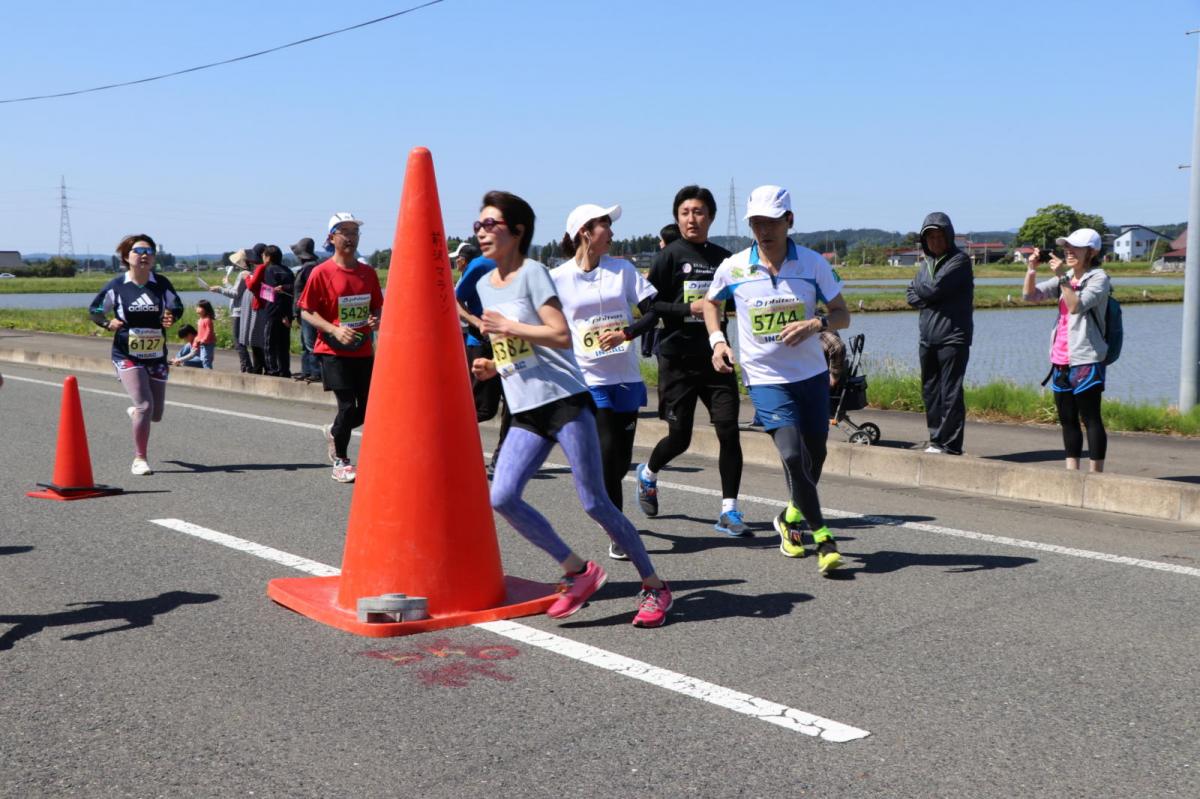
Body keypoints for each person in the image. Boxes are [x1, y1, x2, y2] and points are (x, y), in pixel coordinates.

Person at [470, 190, 672, 627]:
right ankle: (578, 571)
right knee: (502, 497)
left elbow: (561, 335)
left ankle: (655, 587)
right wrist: (494, 363)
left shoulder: (537, 273)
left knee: (596, 502)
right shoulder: (487, 284)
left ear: (518, 231)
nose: (482, 231)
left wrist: (506, 325)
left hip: (564, 401)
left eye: (491, 224)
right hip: (525, 406)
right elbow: (516, 346)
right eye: (478, 225)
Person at [705, 185, 850, 575]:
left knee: (813, 455)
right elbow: (710, 302)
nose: (764, 231)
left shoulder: (813, 264)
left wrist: (814, 324)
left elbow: (842, 314)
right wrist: (717, 341)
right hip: (765, 378)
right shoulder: (734, 267)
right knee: (789, 453)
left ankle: (789, 519)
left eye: (771, 222)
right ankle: (822, 537)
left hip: (811, 375)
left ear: (789, 221)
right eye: (756, 223)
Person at [550, 203, 657, 561]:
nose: (611, 232)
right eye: (605, 226)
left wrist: (627, 331)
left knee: (619, 460)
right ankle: (618, 528)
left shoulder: (622, 270)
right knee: (607, 453)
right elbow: (549, 327)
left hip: (624, 377)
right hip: (587, 377)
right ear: (585, 232)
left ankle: (608, 509)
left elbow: (654, 310)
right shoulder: (559, 278)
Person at [637, 185, 746, 536]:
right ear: (677, 218)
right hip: (677, 359)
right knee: (680, 437)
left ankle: (729, 510)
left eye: (698, 212)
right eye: (685, 213)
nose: (691, 219)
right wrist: (690, 308)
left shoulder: (725, 259)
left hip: (716, 356)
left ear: (710, 217)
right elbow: (649, 307)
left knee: (728, 430)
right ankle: (648, 473)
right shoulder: (668, 257)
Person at [88, 234, 184, 475]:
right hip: (126, 353)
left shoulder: (161, 283)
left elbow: (178, 305)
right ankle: (139, 459)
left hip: (156, 355)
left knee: (156, 414)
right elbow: (96, 309)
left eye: (149, 251)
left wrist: (172, 315)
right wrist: (106, 323)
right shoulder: (117, 286)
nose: (144, 255)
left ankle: (138, 412)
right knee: (144, 405)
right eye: (138, 250)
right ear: (126, 257)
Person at [299, 213, 383, 483]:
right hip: (332, 350)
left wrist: (375, 319)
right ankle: (341, 461)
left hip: (363, 350)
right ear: (332, 237)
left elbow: (377, 308)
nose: (350, 237)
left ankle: (335, 432)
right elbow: (306, 311)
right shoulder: (321, 273)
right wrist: (334, 329)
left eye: (354, 232)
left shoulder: (367, 273)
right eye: (344, 231)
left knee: (370, 408)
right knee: (347, 406)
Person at [1022, 228, 1112, 472]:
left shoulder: (1098, 278)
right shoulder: (1069, 274)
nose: (1069, 251)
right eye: (1067, 247)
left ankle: (1096, 476)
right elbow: (1030, 296)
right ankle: (1071, 474)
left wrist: (1062, 276)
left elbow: (1075, 306)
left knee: (1090, 418)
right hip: (1060, 359)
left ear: (1092, 252)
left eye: (1076, 247)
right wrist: (1032, 269)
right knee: (1067, 420)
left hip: (1086, 358)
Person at [905, 212, 973, 455]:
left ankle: (951, 445)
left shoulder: (959, 261)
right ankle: (936, 440)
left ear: (949, 236)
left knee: (951, 392)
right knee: (930, 390)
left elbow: (932, 290)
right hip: (928, 337)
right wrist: (924, 293)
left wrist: (922, 292)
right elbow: (910, 295)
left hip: (953, 337)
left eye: (939, 235)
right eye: (930, 236)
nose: (934, 241)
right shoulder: (926, 265)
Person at [455, 252, 510, 470]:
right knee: (483, 408)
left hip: (510, 342)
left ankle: (502, 457)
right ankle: (447, 444)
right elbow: (456, 300)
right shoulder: (481, 264)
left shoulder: (525, 264)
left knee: (515, 404)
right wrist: (477, 323)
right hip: (482, 341)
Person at [246, 244, 294, 377]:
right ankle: (285, 371)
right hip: (287, 313)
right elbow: (292, 290)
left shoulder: (269, 270)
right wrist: (288, 314)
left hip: (273, 312)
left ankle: (272, 371)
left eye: (263, 255)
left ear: (268, 257)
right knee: (284, 346)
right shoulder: (288, 270)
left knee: (269, 344)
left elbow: (273, 293)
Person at [210, 249, 252, 372]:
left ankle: (246, 367)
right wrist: (227, 284)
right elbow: (237, 291)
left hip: (238, 312)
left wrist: (220, 289)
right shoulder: (249, 273)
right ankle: (247, 366)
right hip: (243, 310)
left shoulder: (242, 274)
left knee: (238, 342)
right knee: (241, 341)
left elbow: (235, 294)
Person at [291, 237, 323, 382]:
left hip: (309, 311)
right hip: (303, 311)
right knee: (305, 343)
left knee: (310, 343)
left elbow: (313, 291)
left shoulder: (309, 268)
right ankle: (307, 370)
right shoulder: (308, 267)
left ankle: (316, 372)